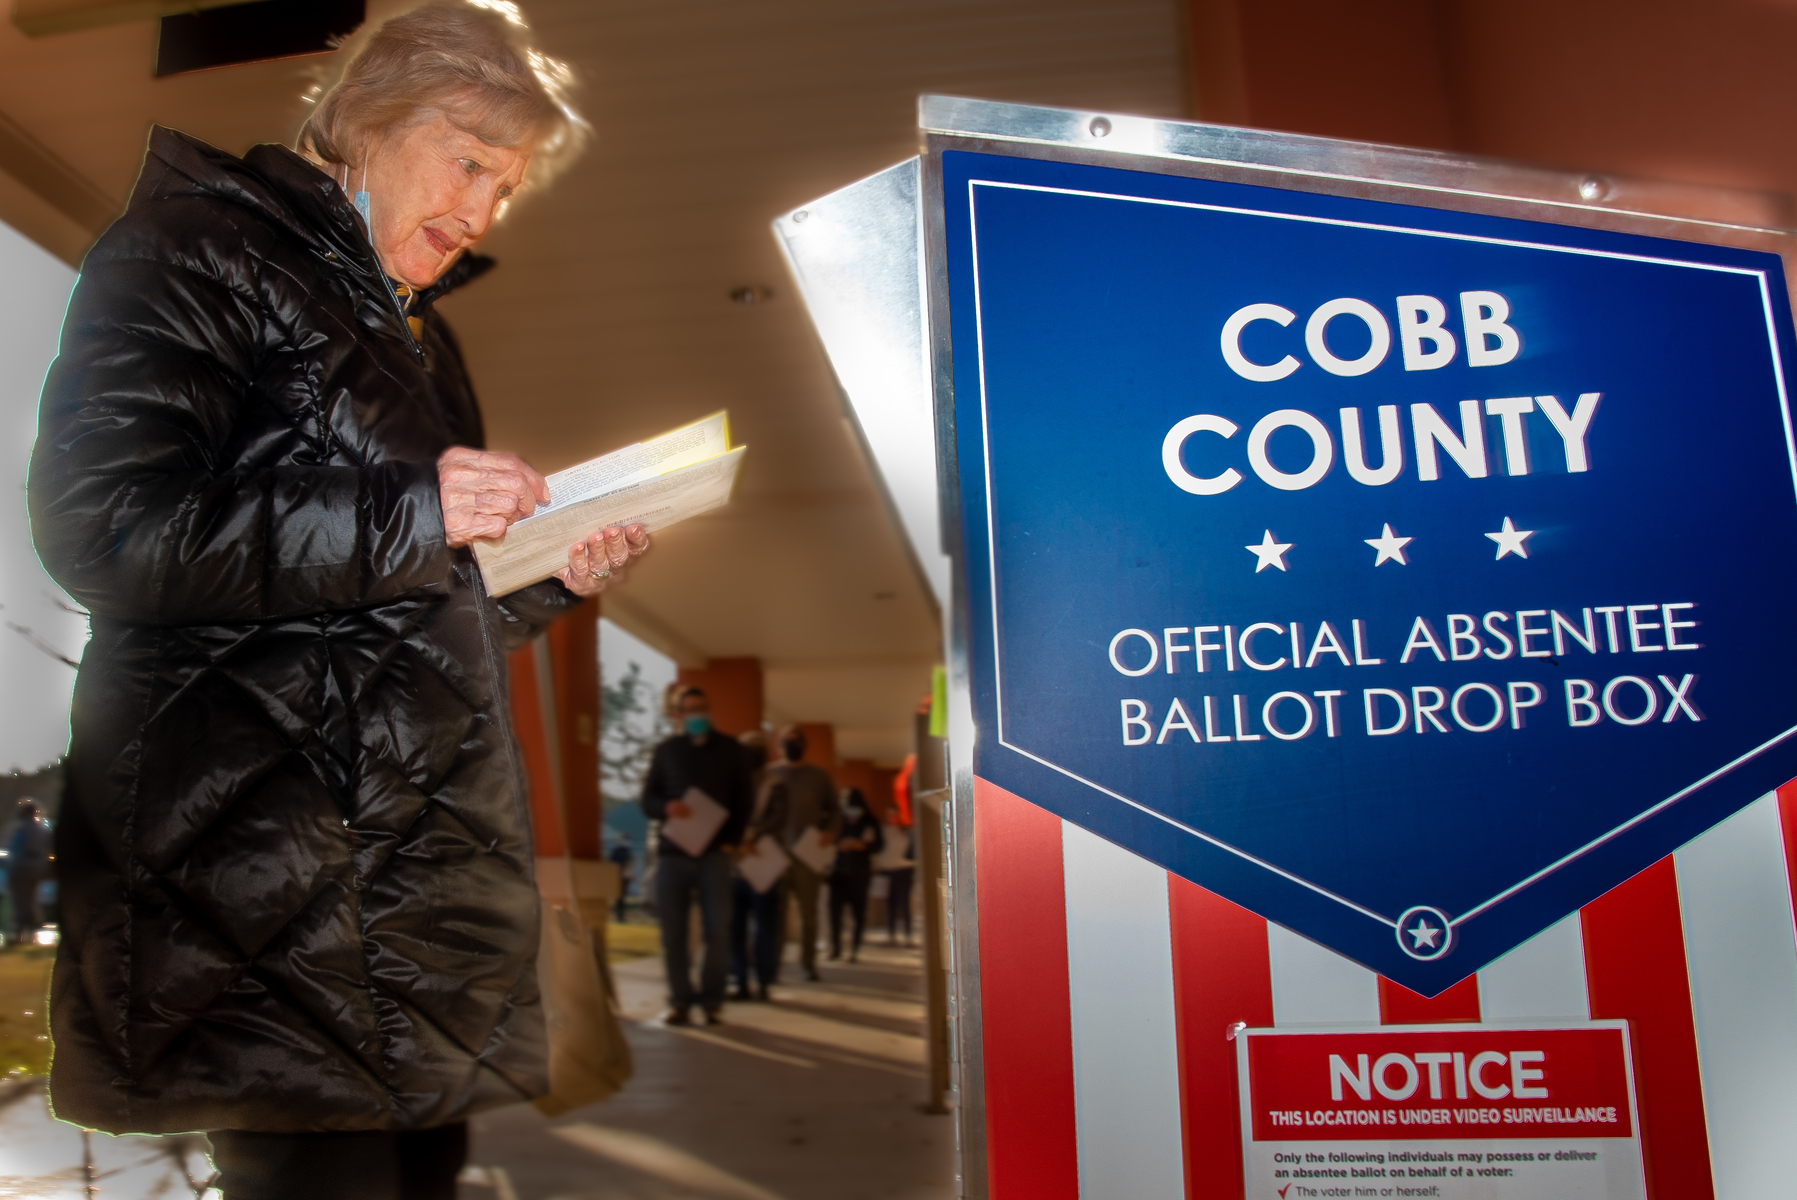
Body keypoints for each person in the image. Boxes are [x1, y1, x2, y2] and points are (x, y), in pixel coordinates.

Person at [26, 4, 651, 1195]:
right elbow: (103, 527)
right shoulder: (191, 246)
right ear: (368, 120)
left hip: (406, 897)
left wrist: (545, 578)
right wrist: (417, 512)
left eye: (508, 188)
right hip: (262, 890)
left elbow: (399, 608)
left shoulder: (421, 337)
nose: (482, 214)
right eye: (470, 163)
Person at [640, 688, 751, 1024]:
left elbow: (744, 799)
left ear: (709, 709)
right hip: (673, 856)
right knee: (673, 933)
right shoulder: (666, 751)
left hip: (716, 856)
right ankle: (680, 1001)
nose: (696, 715)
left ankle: (712, 999)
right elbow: (647, 800)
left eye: (701, 708)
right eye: (689, 710)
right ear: (678, 715)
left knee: (718, 930)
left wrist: (732, 839)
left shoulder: (732, 750)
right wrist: (666, 807)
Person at [762, 725, 840, 981]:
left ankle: (808, 964)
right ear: (778, 745)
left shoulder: (819, 777)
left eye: (796, 740)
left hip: (808, 854)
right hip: (775, 854)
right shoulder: (769, 774)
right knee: (775, 914)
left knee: (808, 914)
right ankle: (771, 966)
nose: (791, 744)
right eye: (786, 740)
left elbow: (836, 811)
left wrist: (830, 832)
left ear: (804, 745)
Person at [727, 730, 784, 1001]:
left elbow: (779, 819)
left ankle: (763, 981)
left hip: (764, 862)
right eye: (749, 748)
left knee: (765, 926)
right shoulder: (730, 784)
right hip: (734, 865)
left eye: (759, 748)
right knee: (734, 926)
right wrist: (739, 839)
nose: (754, 753)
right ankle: (739, 980)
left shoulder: (776, 784)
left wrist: (752, 836)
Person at [827, 789, 884, 963]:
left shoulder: (870, 821)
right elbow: (828, 839)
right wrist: (839, 844)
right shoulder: (838, 821)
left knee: (858, 914)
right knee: (834, 913)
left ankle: (854, 949)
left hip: (860, 874)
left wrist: (863, 846)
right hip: (838, 873)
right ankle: (835, 948)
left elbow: (879, 845)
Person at [6, 800, 51, 945]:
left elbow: (15, 850)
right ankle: (31, 935)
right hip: (38, 868)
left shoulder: (21, 828)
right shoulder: (42, 828)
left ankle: (18, 935)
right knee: (32, 900)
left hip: (22, 867)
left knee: (20, 901)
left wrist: (10, 870)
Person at [607, 837, 634, 923]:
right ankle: (619, 916)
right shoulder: (622, 852)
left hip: (621, 878)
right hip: (619, 877)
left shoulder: (624, 851)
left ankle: (619, 915)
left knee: (620, 898)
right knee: (620, 898)